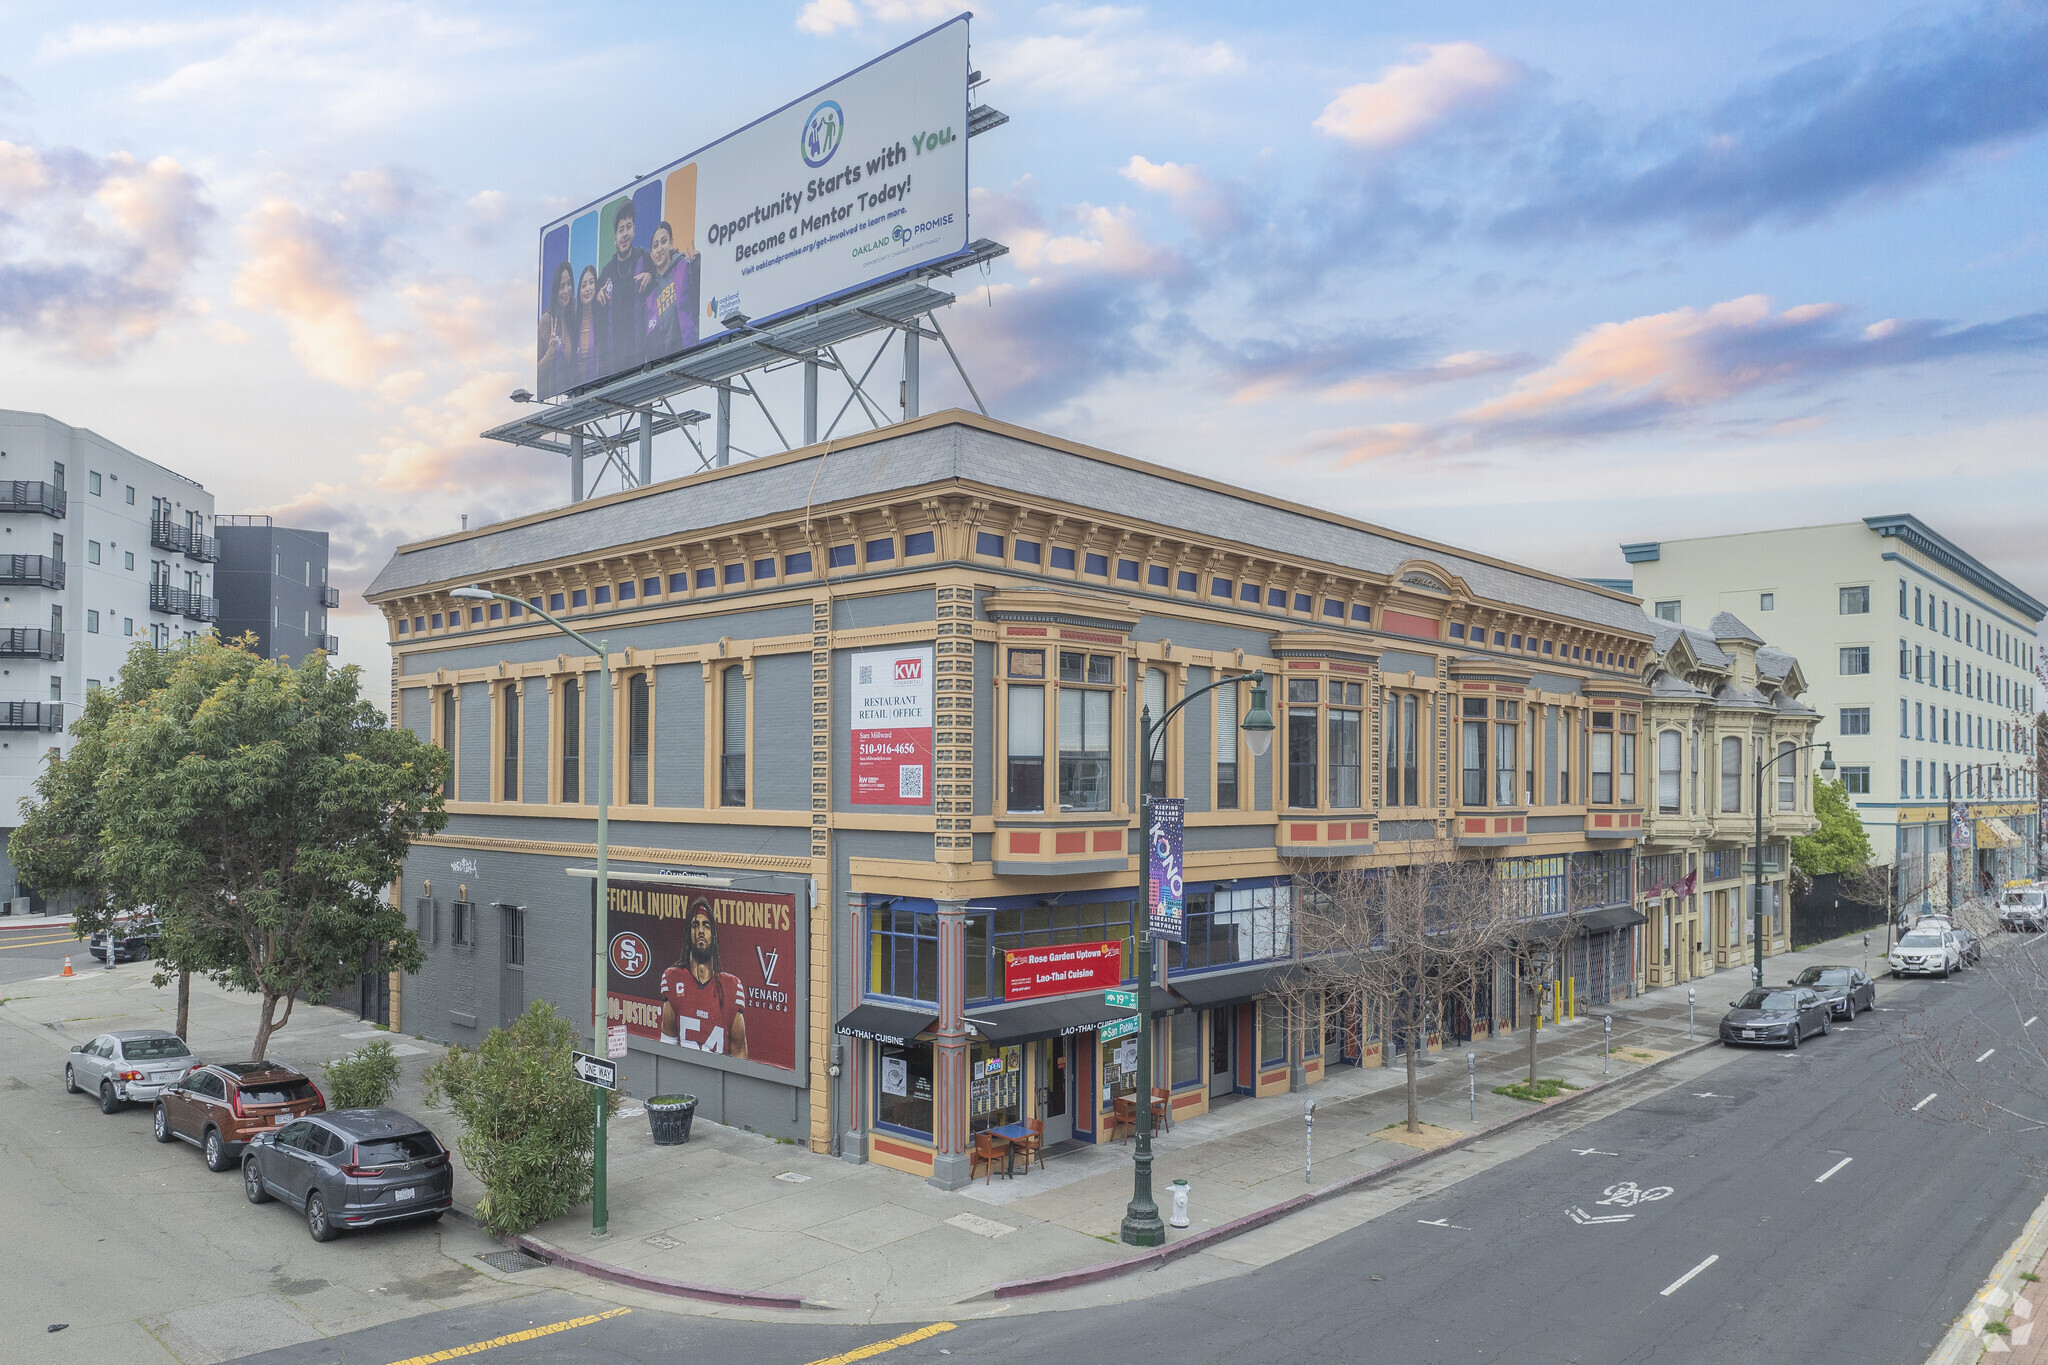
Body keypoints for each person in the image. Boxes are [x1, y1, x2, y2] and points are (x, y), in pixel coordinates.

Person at [657, 898, 748, 1057]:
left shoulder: (732, 987)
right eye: (695, 925)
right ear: (688, 934)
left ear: (714, 935)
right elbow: (667, 1044)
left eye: (706, 926)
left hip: (717, 1080)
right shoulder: (673, 978)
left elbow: (739, 1052)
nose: (700, 930)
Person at [594, 201, 651, 378]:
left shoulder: (644, 257)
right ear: (614, 238)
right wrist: (598, 295)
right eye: (621, 230)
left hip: (645, 358)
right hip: (614, 365)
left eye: (628, 227)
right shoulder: (606, 272)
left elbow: (666, 269)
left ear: (634, 229)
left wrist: (651, 275)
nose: (625, 234)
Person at [640, 220, 699, 361]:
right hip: (662, 367)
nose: (659, 248)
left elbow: (700, 297)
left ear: (671, 244)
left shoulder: (684, 266)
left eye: (664, 242)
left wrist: (697, 265)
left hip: (689, 353)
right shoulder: (648, 291)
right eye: (655, 246)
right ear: (651, 254)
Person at [537, 261, 574, 398]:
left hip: (569, 400)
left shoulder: (571, 320)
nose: (566, 291)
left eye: (569, 284)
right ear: (555, 290)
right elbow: (536, 372)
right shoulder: (547, 321)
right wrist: (550, 353)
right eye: (561, 286)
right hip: (550, 403)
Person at [573, 265, 602, 385]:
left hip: (600, 387)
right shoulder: (574, 325)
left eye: (591, 283)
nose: (587, 289)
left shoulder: (602, 320)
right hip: (578, 391)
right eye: (583, 285)